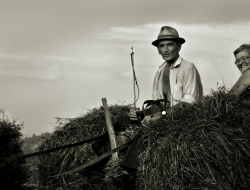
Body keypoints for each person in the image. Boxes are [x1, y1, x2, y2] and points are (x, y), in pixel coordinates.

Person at [106, 26, 204, 189]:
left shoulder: (188, 68)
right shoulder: (159, 72)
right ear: (158, 49)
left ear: (179, 46)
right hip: (164, 115)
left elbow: (189, 103)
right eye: (161, 46)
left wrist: (161, 115)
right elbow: (156, 104)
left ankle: (128, 176)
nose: (165, 50)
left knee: (148, 129)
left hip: (183, 119)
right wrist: (142, 113)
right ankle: (96, 163)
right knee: (123, 121)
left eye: (169, 45)